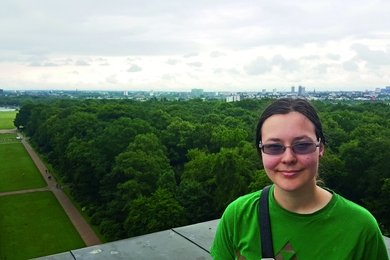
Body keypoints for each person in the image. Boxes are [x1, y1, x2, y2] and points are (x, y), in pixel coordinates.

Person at [210, 98, 388, 259]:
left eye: (302, 145)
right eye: (274, 147)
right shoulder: (238, 216)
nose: (288, 158)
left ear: (321, 149)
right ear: (261, 152)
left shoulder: (361, 228)